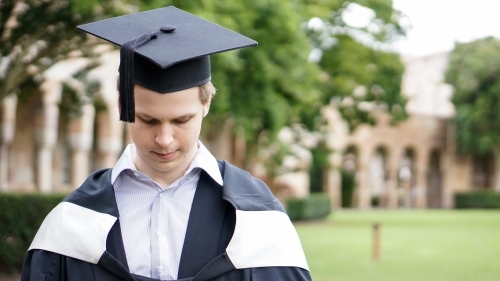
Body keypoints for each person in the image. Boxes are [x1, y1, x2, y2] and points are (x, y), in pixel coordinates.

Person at [21, 6, 312, 281]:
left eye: (181, 120)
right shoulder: (75, 219)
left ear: (206, 103)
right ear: (123, 104)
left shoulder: (255, 215)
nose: (164, 139)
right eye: (147, 120)